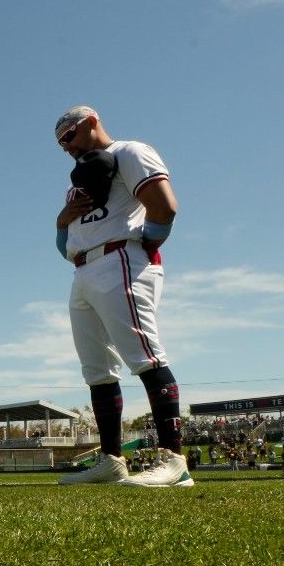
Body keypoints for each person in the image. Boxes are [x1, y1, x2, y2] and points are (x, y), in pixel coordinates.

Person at [50, 106, 192, 488]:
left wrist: (143, 246)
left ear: (92, 121)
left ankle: (175, 461)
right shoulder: (76, 180)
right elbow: (65, 247)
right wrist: (62, 221)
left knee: (145, 356)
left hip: (120, 257)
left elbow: (164, 205)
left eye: (70, 136)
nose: (65, 146)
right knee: (97, 369)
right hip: (82, 268)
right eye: (60, 142)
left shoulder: (130, 151)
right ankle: (111, 460)